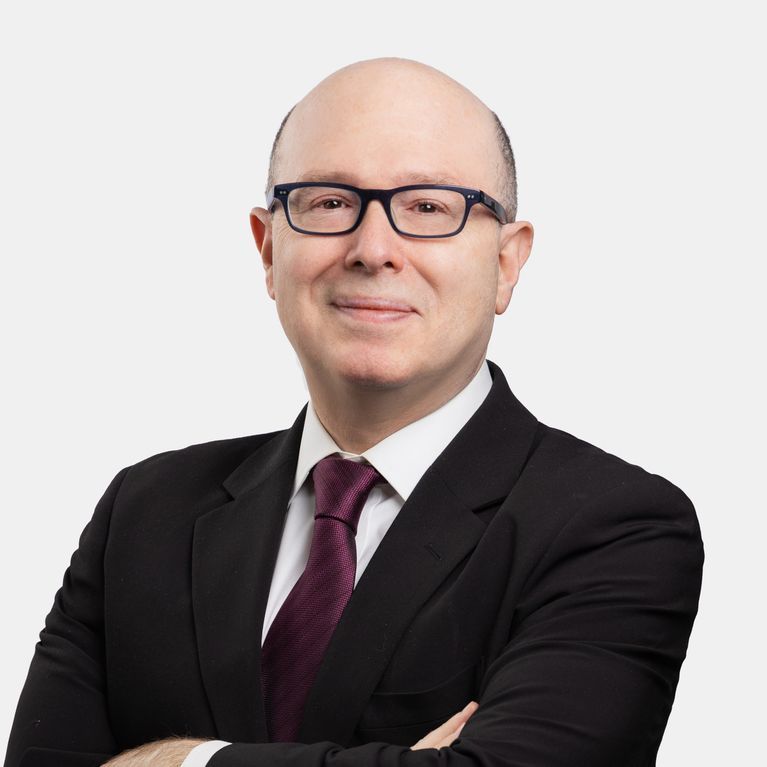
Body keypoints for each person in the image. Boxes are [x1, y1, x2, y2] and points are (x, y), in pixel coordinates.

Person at [4, 58, 704, 767]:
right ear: (268, 248)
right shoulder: (144, 512)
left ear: (505, 262)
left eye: (428, 207)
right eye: (330, 202)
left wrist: (173, 761)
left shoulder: (616, 527)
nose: (373, 250)